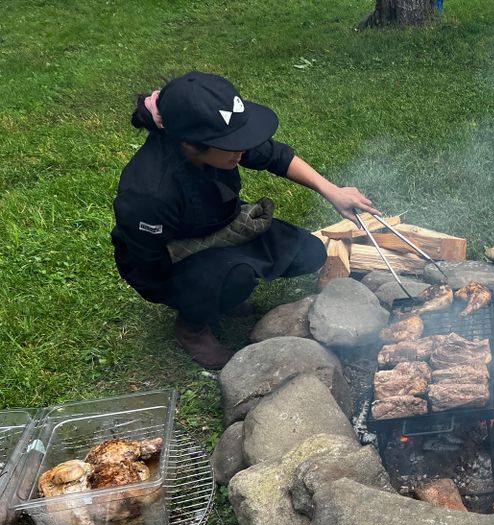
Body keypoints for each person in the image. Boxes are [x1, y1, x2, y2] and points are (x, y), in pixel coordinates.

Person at [111, 71, 378, 369]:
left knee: (309, 252)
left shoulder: (219, 139)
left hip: (223, 228)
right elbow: (147, 265)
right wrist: (199, 286)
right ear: (189, 143)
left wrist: (331, 191)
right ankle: (193, 327)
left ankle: (225, 285)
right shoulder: (150, 191)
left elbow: (275, 156)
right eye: (234, 144)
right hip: (166, 261)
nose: (242, 149)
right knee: (234, 275)